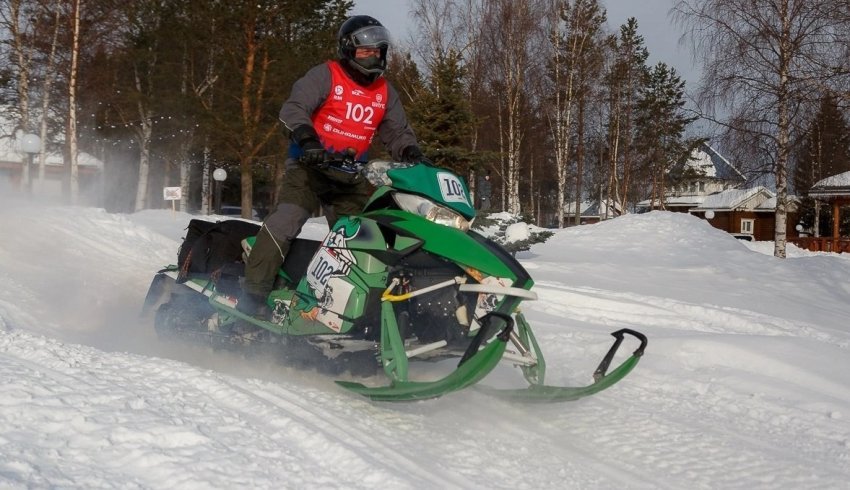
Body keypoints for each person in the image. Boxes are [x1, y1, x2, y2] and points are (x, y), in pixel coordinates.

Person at [239, 15, 428, 317]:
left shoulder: (384, 92)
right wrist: (308, 140)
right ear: (348, 51)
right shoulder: (325, 75)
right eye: (365, 51)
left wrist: (411, 153)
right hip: (309, 167)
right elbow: (294, 108)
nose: (373, 56)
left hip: (350, 175)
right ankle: (253, 296)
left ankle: (356, 306)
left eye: (378, 51)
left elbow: (397, 132)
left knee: (367, 234)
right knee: (287, 219)